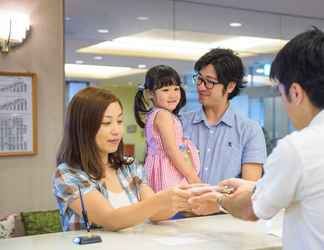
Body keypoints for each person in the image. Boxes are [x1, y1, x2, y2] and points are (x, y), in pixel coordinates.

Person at [189, 27, 324, 250]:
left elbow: (252, 209)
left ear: (296, 93)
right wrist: (255, 186)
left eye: (281, 94)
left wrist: (219, 200)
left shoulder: (297, 149)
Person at [52, 87, 191, 232]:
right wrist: (161, 200)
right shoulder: (68, 174)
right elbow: (111, 219)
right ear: (82, 127)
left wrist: (185, 198)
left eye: (119, 121)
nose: (116, 130)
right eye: (106, 123)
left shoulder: (129, 166)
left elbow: (155, 214)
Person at [180, 48, 266, 186]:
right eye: (199, 79)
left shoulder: (249, 131)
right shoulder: (180, 123)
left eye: (209, 82)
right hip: (179, 207)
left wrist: (213, 200)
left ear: (230, 86)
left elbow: (249, 190)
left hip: (225, 207)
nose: (201, 87)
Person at [134, 65, 201, 192]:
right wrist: (192, 178)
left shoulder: (155, 114)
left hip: (163, 167)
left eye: (176, 89)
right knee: (176, 206)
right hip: (169, 170)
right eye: (165, 90)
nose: (173, 95)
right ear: (149, 94)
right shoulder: (163, 115)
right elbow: (172, 151)